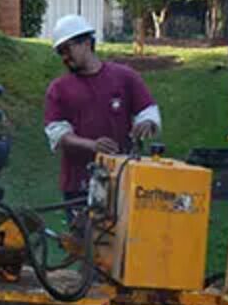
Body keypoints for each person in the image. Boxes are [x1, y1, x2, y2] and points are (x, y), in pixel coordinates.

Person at [43, 14, 162, 207]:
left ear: (87, 43)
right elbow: (57, 134)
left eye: (67, 49)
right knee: (84, 237)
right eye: (60, 52)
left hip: (123, 178)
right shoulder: (59, 89)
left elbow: (148, 111)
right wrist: (92, 146)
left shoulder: (125, 77)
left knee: (123, 236)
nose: (64, 57)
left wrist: (146, 123)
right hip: (78, 184)